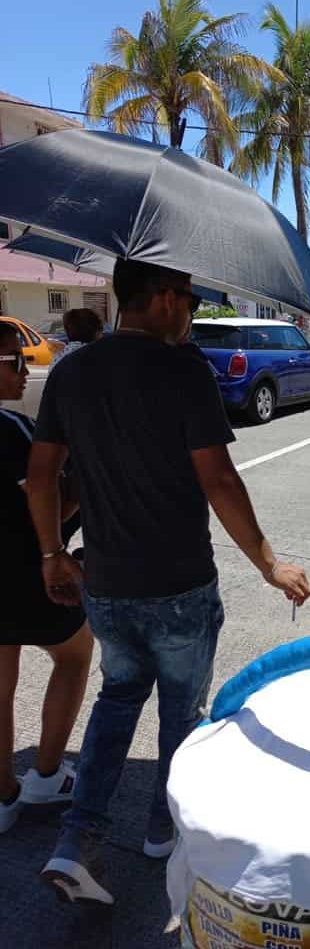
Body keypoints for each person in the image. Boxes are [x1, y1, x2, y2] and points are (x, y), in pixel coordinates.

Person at [27, 258, 310, 906]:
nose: (191, 307)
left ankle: (78, 841)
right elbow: (218, 479)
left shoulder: (72, 369)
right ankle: (165, 828)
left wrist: (51, 554)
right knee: (181, 712)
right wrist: (270, 562)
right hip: (180, 582)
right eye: (186, 295)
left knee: (118, 697)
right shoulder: (184, 370)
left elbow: (42, 476)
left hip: (107, 583)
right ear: (158, 299)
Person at [0, 321, 93, 834]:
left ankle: (3, 797)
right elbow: (51, 507)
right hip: (26, 573)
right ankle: (47, 773)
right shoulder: (11, 431)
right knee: (75, 655)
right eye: (14, 360)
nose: (23, 369)